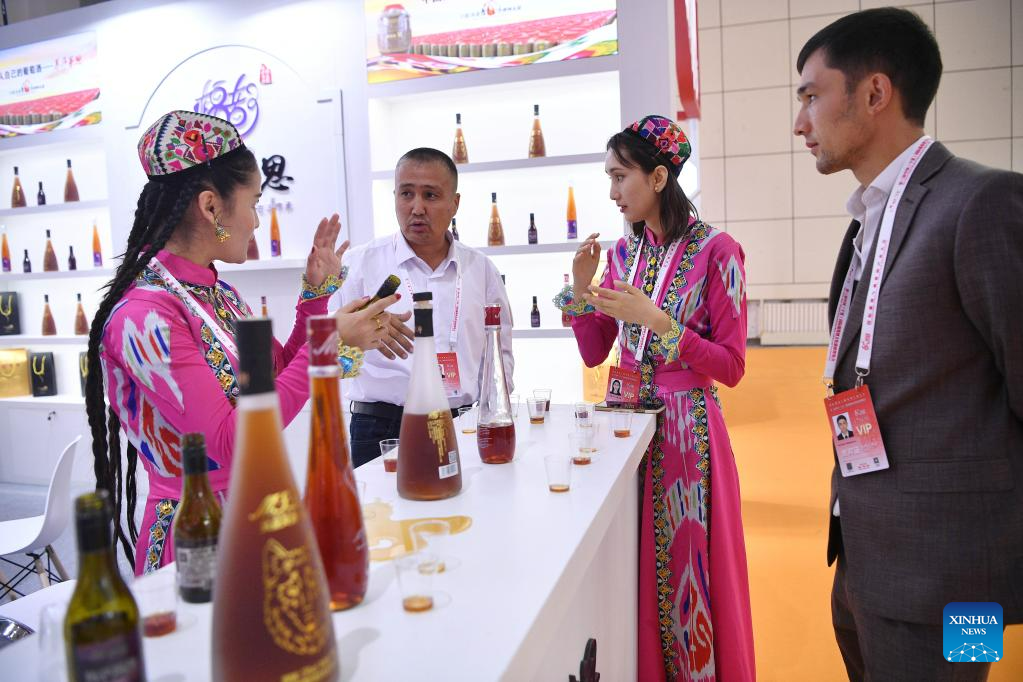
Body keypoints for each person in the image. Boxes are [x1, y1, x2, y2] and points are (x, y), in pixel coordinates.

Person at [793, 8, 1023, 680]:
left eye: (811, 96)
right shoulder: (868, 220)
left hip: (956, 579)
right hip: (864, 559)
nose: (799, 123)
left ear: (874, 93)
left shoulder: (981, 202)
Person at [86, 110, 407, 574]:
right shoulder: (145, 316)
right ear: (211, 207)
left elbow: (275, 376)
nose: (257, 221)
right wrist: (330, 341)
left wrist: (315, 299)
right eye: (254, 203)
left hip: (255, 509)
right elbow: (229, 441)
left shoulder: (215, 292)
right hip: (199, 537)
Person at [555, 116, 755, 681]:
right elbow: (595, 352)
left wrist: (663, 324)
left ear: (660, 177)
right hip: (624, 428)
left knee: (687, 572)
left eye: (621, 177)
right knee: (630, 565)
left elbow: (732, 366)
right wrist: (581, 289)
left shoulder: (718, 252)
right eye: (609, 178)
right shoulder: (623, 254)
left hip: (687, 436)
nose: (612, 192)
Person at [338, 147, 514, 467]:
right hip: (382, 426)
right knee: (381, 503)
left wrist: (493, 411)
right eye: (406, 194)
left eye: (430, 195)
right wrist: (356, 340)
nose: (416, 208)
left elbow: (500, 352)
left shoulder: (481, 269)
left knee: (470, 500)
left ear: (454, 204)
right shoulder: (360, 265)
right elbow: (329, 356)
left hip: (463, 421)